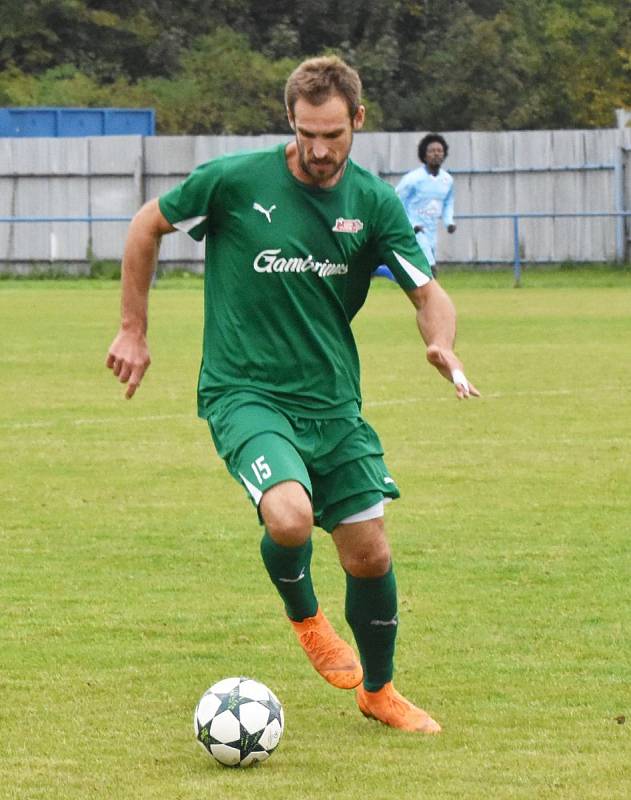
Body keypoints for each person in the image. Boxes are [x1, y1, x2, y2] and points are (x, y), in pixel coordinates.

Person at [106, 56, 479, 734]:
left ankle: (379, 691)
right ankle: (306, 617)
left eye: (332, 134)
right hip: (244, 391)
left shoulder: (372, 202)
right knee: (287, 516)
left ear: (357, 122)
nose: (318, 149)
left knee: (369, 552)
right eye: (306, 132)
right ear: (290, 121)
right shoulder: (233, 181)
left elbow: (427, 291)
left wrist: (442, 343)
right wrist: (133, 329)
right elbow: (145, 226)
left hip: (332, 403)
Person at [396, 133, 456, 278]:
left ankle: (380, 269)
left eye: (439, 151)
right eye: (431, 151)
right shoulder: (412, 179)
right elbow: (396, 200)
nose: (436, 154)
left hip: (431, 230)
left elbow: (448, 202)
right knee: (429, 269)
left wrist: (449, 222)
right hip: (414, 229)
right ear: (424, 155)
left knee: (416, 274)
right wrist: (409, 225)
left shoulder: (447, 180)